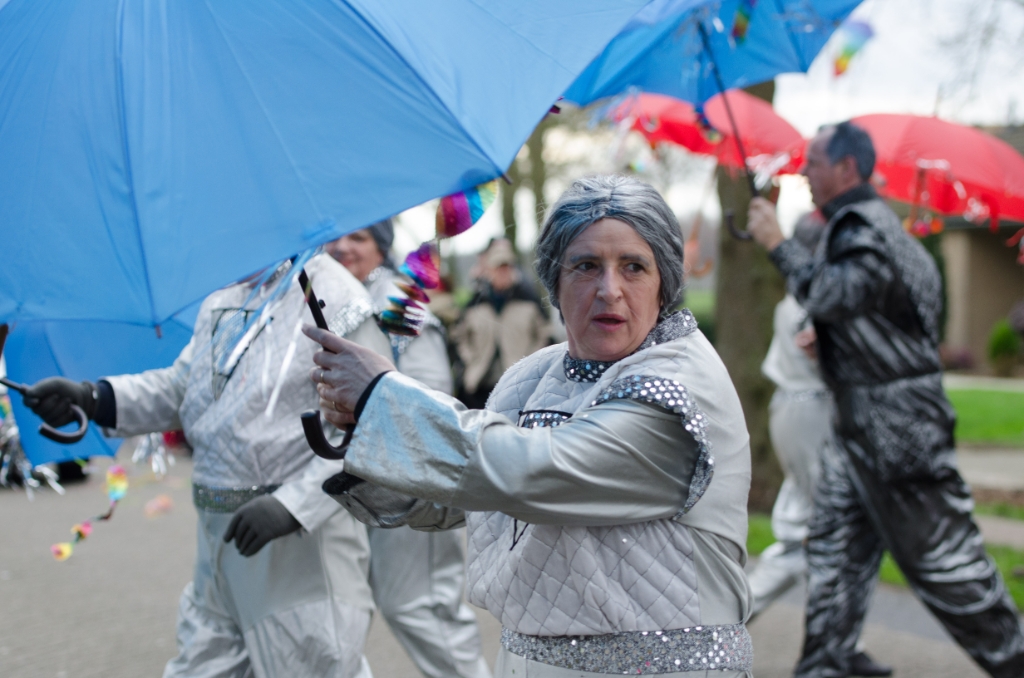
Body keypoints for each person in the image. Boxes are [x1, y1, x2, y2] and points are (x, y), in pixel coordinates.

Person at [306, 175, 754, 677]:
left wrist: (381, 396)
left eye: (634, 266)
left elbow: (536, 472)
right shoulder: (532, 377)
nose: (610, 290)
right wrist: (363, 424)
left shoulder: (677, 384)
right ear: (553, 282)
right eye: (585, 266)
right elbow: (466, 494)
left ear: (664, 282)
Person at [23, 253, 389, 678]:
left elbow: (373, 422)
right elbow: (183, 387)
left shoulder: (336, 294)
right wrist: (93, 398)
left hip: (300, 557)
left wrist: (293, 506)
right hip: (218, 548)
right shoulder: (224, 297)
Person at [748, 121, 1024, 678]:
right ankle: (826, 663)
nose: (805, 172)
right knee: (835, 551)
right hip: (862, 430)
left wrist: (776, 244)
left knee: (945, 562)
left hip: (894, 433)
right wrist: (831, 341)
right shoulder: (885, 232)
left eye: (816, 163)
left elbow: (833, 292)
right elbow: (876, 319)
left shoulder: (861, 227)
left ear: (848, 168)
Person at [326, 221, 492, 678]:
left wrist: (371, 413)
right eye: (335, 237)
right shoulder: (328, 301)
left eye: (358, 237)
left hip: (414, 483)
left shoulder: (398, 301)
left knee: (421, 608)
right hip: (357, 486)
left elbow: (432, 396)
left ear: (381, 247)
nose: (342, 247)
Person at [749, 211, 891, 678]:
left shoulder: (800, 298)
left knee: (802, 523)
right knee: (817, 530)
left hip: (796, 410)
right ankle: (836, 642)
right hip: (810, 411)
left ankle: (840, 640)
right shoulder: (810, 301)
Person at [452, 238, 551, 408]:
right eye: (498, 268)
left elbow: (545, 335)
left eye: (507, 267)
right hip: (479, 386)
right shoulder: (475, 303)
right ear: (489, 270)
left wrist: (530, 361)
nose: (503, 272)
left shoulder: (528, 301)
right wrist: (470, 359)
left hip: (520, 385)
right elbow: (458, 335)